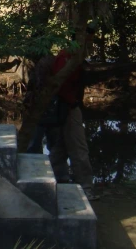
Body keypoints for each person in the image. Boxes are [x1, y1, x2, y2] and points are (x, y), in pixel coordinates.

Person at [47, 25, 97, 199]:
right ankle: (85, 188)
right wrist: (71, 103)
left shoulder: (76, 56)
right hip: (67, 107)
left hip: (69, 106)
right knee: (78, 148)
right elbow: (59, 83)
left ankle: (48, 179)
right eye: (89, 40)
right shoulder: (66, 56)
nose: (91, 43)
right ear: (79, 39)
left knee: (61, 147)